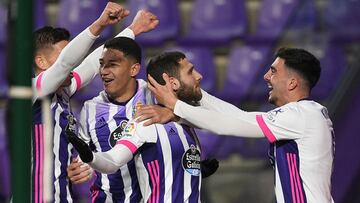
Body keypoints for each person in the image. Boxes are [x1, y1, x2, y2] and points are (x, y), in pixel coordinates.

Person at [139, 48, 335, 203]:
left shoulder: (301, 115)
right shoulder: (306, 114)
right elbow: (239, 117)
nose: (266, 76)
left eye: (274, 71)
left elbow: (231, 124)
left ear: (292, 83)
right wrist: (198, 96)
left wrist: (176, 106)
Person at [32, 2, 159, 202]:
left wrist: (133, 30)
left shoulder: (63, 91)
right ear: (41, 62)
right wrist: (99, 25)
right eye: (66, 56)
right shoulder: (34, 90)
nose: (73, 64)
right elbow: (66, 63)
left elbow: (92, 63)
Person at [67, 51, 219, 202]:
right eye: (190, 72)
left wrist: (192, 171)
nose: (199, 76)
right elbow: (113, 160)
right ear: (172, 82)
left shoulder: (189, 118)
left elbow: (224, 118)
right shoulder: (143, 122)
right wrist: (91, 157)